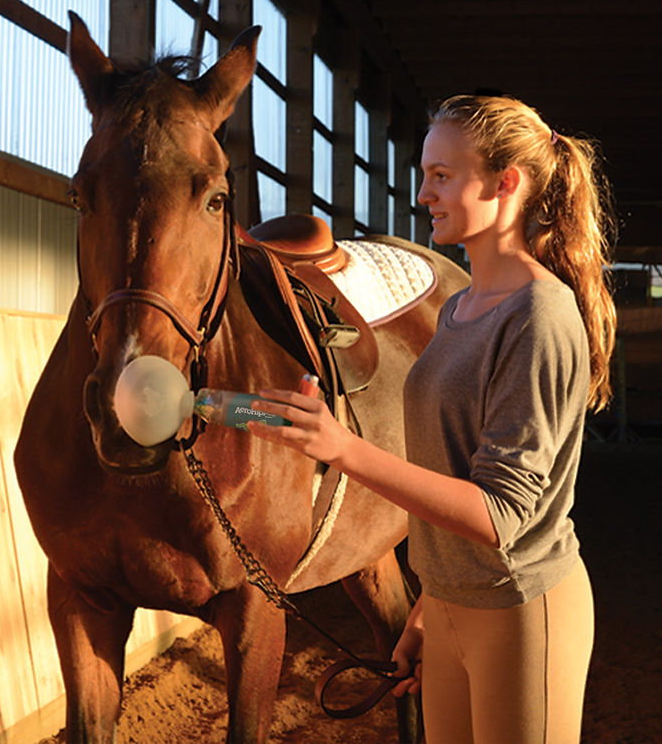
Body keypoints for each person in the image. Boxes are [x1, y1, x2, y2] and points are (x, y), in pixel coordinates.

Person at [247, 94, 616, 744]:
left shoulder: (539, 317)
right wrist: (428, 607)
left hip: (520, 607)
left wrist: (341, 448)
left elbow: (500, 516)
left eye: (442, 176)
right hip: (448, 607)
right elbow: (449, 468)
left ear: (507, 184)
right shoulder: (460, 310)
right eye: (425, 174)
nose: (424, 194)